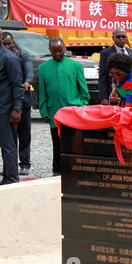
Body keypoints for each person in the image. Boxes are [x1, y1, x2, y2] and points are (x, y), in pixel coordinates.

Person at [38, 38, 90, 176]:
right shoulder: (43, 68)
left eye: (60, 51)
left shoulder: (76, 66)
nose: (57, 54)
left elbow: (83, 89)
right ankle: (57, 170)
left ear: (65, 49)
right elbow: (42, 92)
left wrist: (84, 105)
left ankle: (76, 168)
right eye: (54, 51)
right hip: (54, 111)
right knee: (57, 142)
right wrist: (44, 111)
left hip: (74, 110)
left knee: (75, 141)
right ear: (50, 51)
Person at [2, 32, 36, 176]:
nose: (7, 46)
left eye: (9, 43)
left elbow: (29, 71)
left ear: (13, 42)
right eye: (5, 44)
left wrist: (27, 81)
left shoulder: (21, 55)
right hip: (7, 102)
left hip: (22, 101)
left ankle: (24, 163)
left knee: (24, 134)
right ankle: (9, 167)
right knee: (9, 137)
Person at [0, 28, 23, 185]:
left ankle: (11, 179)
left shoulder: (9, 58)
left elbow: (17, 85)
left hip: (5, 110)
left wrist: (17, 109)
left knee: (8, 145)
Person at [99, 28, 132, 105]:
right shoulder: (106, 53)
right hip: (114, 96)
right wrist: (103, 98)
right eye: (118, 37)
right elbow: (102, 76)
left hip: (130, 93)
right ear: (113, 38)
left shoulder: (131, 53)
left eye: (123, 36)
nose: (121, 39)